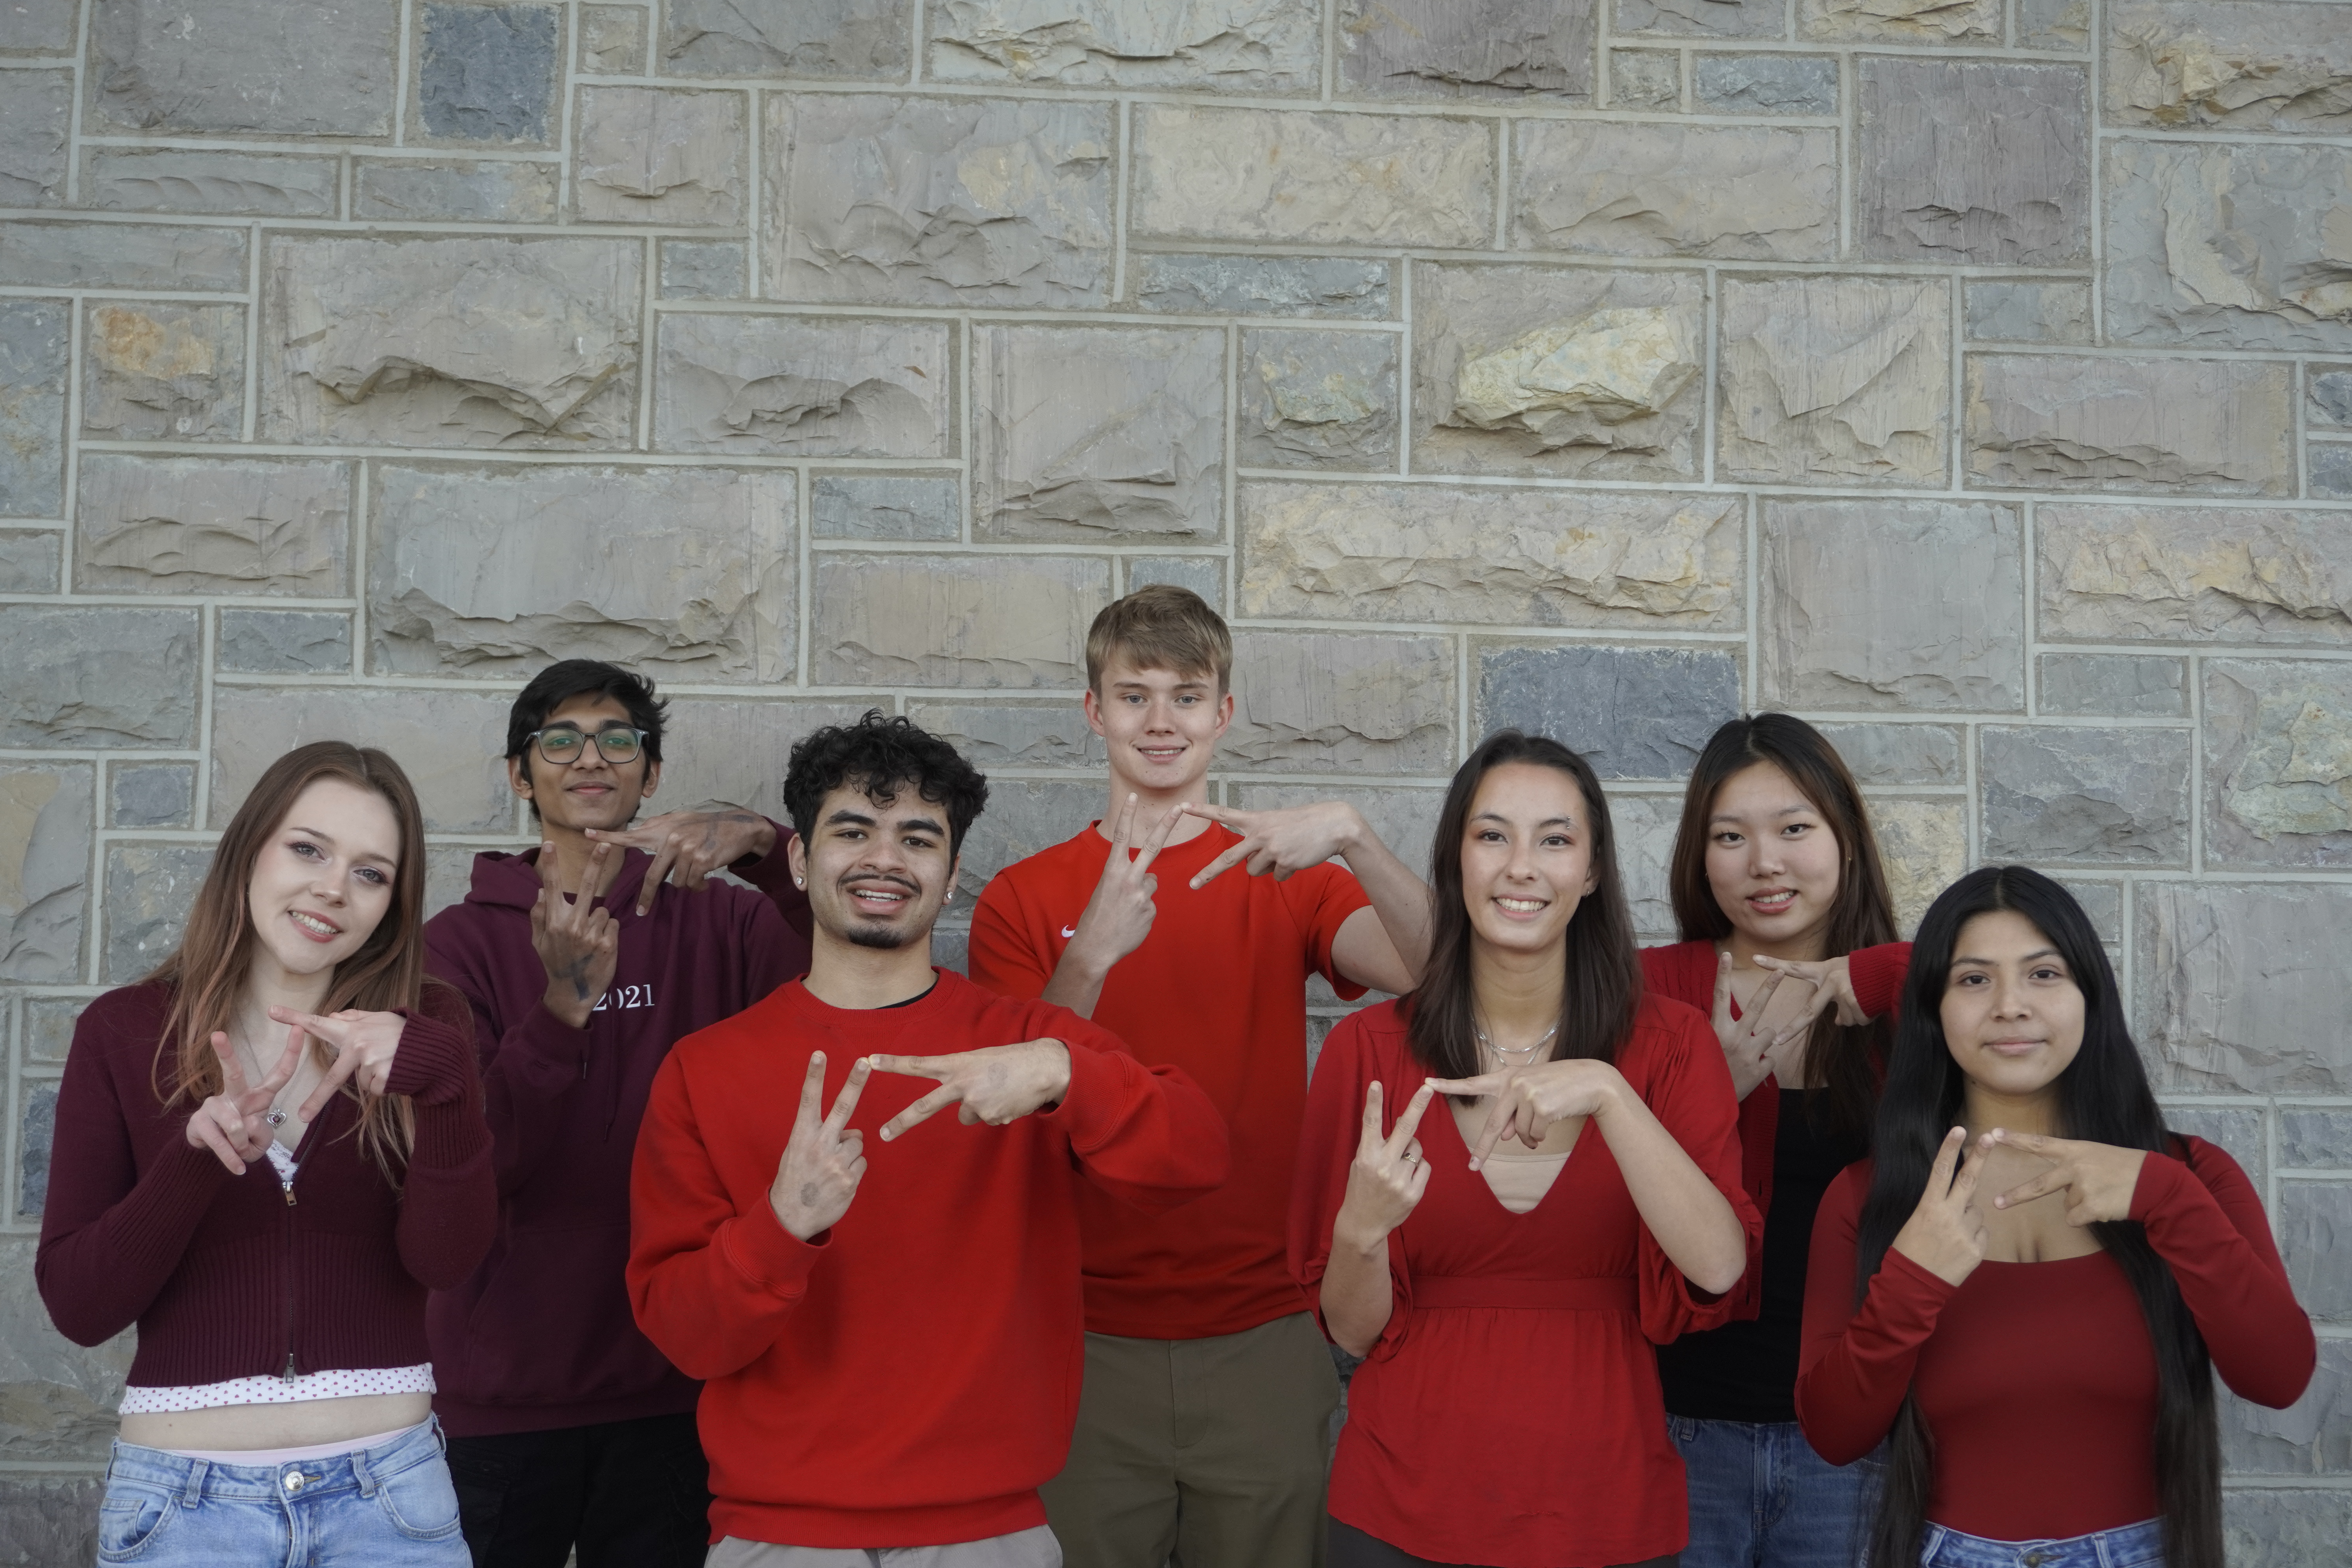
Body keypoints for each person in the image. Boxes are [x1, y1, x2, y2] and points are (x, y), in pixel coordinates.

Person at [628, 711, 1229, 1563]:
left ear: (949, 877)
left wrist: (1065, 1072)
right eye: (852, 832)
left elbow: (1198, 1158)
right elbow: (685, 1336)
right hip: (780, 1535)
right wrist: (780, 1226)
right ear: (798, 860)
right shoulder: (705, 1067)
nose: (884, 859)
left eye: (918, 839)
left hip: (989, 1533)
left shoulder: (1029, 1044)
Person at [967, 584, 1432, 1568]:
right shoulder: (1022, 897)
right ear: (1094, 710)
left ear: (1223, 712)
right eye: (1134, 694)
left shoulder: (1288, 876)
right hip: (1083, 1333)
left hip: (1264, 1327)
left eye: (1186, 695)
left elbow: (1436, 974)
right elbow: (1010, 1110)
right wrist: (1088, 956)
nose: (1161, 720)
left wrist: (1354, 833)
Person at [1291, 729, 1760, 1568]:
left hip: (1607, 1512)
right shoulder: (1368, 1053)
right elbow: (1354, 1333)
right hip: (1400, 1512)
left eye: (1554, 840)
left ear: (1593, 869)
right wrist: (1362, 1228)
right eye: (1492, 835)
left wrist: (1611, 1095)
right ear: (1455, 859)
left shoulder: (1672, 1046)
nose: (1521, 867)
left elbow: (1719, 1266)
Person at [37, 742, 495, 1563]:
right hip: (184, 1509)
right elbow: (80, 1307)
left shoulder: (426, 1028)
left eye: (371, 873)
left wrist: (448, 1087)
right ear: (250, 849)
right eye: (309, 849)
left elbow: (446, 1261)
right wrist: (193, 1163)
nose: (334, 888)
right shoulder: (122, 1031)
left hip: (391, 1500)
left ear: (392, 905)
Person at [1797, 867, 2315, 1568]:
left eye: (2044, 974)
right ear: (1932, 1009)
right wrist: (1912, 1281)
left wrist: (2169, 1200)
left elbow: (2279, 1379)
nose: (2011, 1007)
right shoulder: (1869, 1197)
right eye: (1973, 979)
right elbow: (1833, 1435)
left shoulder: (2191, 1177)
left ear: (2090, 998)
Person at [423, 659, 813, 1568]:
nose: (590, 756)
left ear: (653, 772)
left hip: (677, 1385)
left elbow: (855, 962)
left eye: (618, 738)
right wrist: (561, 1011)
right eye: (559, 739)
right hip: (502, 1394)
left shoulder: (726, 924)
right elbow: (475, 1161)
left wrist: (764, 842)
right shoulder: (457, 944)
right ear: (521, 775)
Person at [1640, 714, 1913, 1567]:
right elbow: (1584, 1203)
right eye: (1731, 836)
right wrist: (1706, 1091)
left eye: (1794, 828)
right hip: (1677, 1428)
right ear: (1700, 855)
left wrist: (1873, 973)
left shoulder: (1900, 1005)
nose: (1764, 862)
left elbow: (2030, 984)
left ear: (1846, 838)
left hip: (1851, 1444)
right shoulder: (1652, 990)